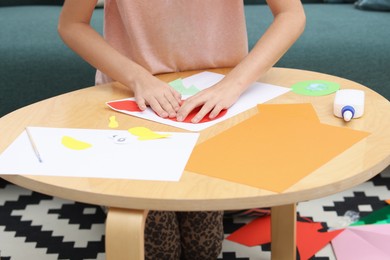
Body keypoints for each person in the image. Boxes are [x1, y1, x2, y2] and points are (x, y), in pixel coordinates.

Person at [58, 1, 305, 259]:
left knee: (203, 250)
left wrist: (233, 83)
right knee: (161, 251)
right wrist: (138, 78)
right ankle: (111, 192)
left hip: (214, 98)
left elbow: (291, 14)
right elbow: (72, 24)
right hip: (134, 98)